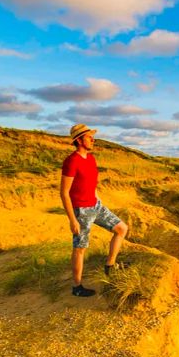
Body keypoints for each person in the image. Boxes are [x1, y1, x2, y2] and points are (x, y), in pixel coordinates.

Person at [60, 123, 128, 297]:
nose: (93, 139)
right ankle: (77, 287)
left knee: (121, 228)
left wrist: (97, 198)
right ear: (79, 140)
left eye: (92, 136)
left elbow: (91, 183)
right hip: (81, 211)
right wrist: (72, 219)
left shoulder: (91, 159)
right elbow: (64, 193)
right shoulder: (71, 161)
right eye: (89, 137)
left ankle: (110, 266)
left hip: (96, 205)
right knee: (80, 248)